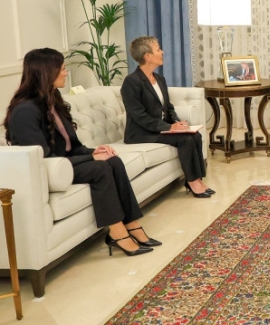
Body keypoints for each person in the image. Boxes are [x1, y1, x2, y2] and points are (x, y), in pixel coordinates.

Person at [3, 48, 159, 256]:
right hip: (50, 172)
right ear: (46, 72)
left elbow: (72, 146)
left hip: (64, 163)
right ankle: (117, 233)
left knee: (113, 160)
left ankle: (131, 224)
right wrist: (92, 158)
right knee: (100, 169)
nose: (66, 73)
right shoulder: (25, 111)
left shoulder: (53, 100)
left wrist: (95, 151)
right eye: (62, 68)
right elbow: (44, 159)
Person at [121, 36, 213, 198]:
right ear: (147, 56)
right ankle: (192, 182)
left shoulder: (159, 79)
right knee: (185, 140)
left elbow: (168, 107)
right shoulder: (131, 82)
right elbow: (139, 116)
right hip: (140, 132)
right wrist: (169, 127)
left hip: (158, 127)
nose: (162, 52)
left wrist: (177, 122)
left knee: (195, 135)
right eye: (158, 49)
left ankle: (198, 179)